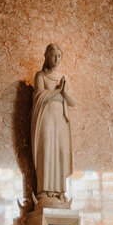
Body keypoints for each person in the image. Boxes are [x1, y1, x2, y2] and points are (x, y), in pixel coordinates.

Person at [31, 43, 77, 202]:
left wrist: (64, 92)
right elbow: (38, 96)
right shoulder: (41, 76)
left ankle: (59, 191)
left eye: (59, 56)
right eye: (54, 55)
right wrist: (58, 92)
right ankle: (44, 191)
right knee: (46, 151)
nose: (57, 59)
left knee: (60, 152)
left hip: (60, 122)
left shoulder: (64, 79)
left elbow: (72, 101)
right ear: (47, 56)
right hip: (45, 119)